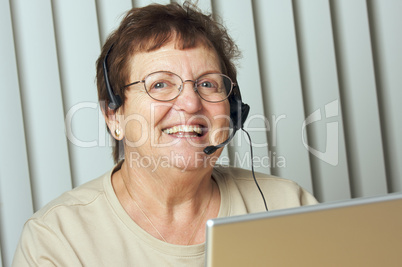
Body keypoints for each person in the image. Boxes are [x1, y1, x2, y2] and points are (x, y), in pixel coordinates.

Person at [13, 2, 317, 266]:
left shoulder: (289, 207)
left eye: (208, 83)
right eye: (160, 84)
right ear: (114, 116)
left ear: (233, 110)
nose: (190, 102)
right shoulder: (57, 240)